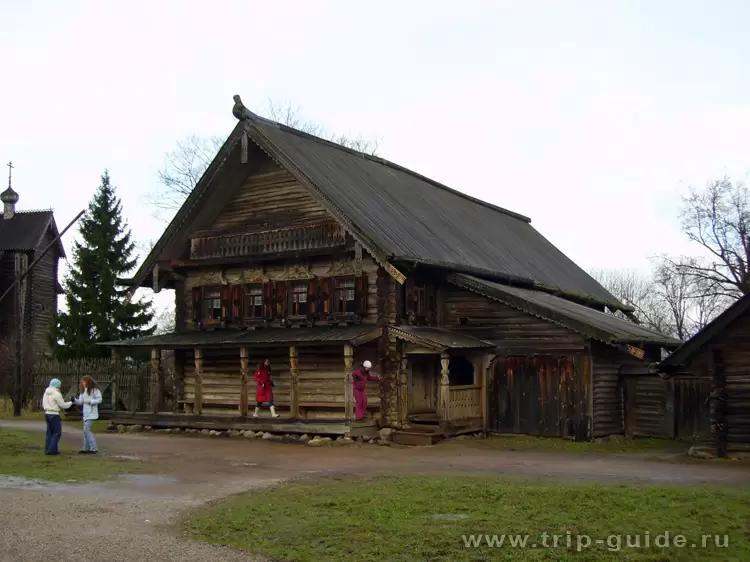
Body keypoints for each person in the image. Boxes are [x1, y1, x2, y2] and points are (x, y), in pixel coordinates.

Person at [41, 378, 73, 455]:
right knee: (57, 433)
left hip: (47, 413)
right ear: (57, 386)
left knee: (49, 433)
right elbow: (63, 405)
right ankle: (52, 450)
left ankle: (48, 449)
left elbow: (43, 404)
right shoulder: (57, 394)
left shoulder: (46, 393)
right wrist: (71, 403)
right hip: (54, 414)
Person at [73, 376, 103, 454]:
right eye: (82, 382)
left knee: (86, 430)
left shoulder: (95, 390)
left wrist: (90, 401)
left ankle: (93, 448)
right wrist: (74, 400)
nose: (83, 383)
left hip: (92, 413)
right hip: (85, 413)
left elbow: (99, 400)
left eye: (84, 381)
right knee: (86, 431)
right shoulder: (83, 391)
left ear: (88, 382)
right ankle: (85, 448)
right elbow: (80, 402)